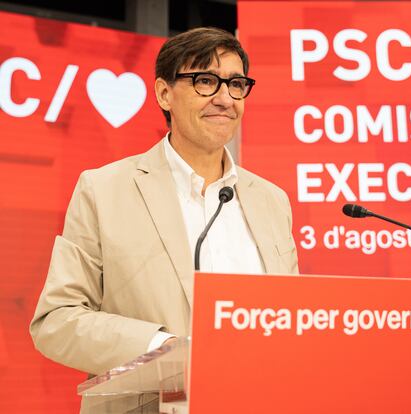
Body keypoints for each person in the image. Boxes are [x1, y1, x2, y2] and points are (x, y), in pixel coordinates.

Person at [30, 25, 298, 390]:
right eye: (206, 81)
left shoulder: (272, 201)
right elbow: (57, 320)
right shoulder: (105, 189)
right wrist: (161, 347)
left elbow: (291, 318)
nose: (225, 98)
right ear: (164, 93)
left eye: (236, 84)